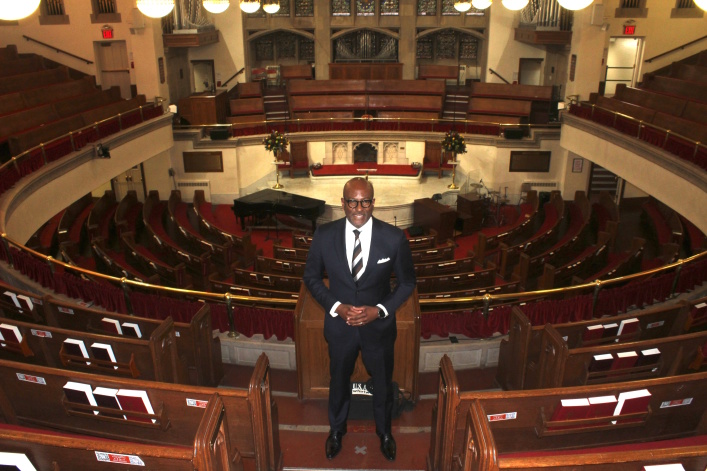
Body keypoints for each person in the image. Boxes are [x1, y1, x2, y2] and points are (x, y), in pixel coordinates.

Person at [303, 177, 416, 462]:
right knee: (338, 380)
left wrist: (379, 310)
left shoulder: (393, 238)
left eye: (365, 201)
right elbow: (311, 278)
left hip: (378, 328)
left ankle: (385, 432)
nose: (359, 208)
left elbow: (406, 283)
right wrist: (337, 307)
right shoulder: (324, 235)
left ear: (373, 202)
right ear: (342, 203)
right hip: (340, 328)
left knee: (382, 381)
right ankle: (337, 431)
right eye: (352, 201)